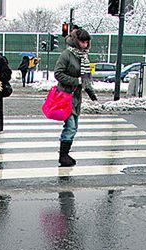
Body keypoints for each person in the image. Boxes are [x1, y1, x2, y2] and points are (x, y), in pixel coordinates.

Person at [54, 28, 98, 167]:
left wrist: (92, 95)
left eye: (86, 42)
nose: (84, 45)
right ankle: (63, 155)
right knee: (71, 126)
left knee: (74, 126)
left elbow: (86, 80)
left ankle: (65, 154)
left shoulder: (84, 57)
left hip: (76, 97)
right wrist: (76, 81)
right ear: (75, 41)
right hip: (65, 96)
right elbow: (58, 74)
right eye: (82, 41)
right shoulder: (67, 54)